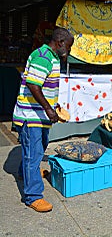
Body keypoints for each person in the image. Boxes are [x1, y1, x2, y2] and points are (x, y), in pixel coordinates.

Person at [13, 27, 74, 212]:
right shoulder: (43, 57)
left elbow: (44, 85)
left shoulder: (53, 57)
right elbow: (33, 84)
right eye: (69, 47)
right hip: (31, 116)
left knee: (38, 149)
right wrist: (48, 109)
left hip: (40, 115)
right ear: (60, 43)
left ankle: (26, 173)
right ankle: (33, 196)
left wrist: (53, 106)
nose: (69, 52)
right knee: (34, 153)